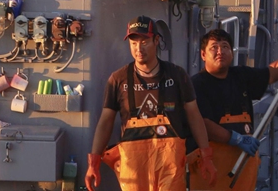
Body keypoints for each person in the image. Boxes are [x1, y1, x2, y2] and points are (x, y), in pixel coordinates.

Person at [86, 16, 218, 191]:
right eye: (133, 43)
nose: (138, 48)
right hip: (133, 168)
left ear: (156, 41)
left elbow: (194, 116)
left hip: (170, 166)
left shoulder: (177, 75)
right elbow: (105, 121)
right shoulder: (118, 79)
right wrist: (94, 162)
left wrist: (206, 155)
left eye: (144, 42)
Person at [187, 29, 278, 191]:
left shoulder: (240, 75)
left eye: (225, 47)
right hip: (210, 169)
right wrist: (236, 139)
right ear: (203, 55)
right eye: (214, 47)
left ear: (231, 53)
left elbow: (271, 74)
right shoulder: (196, 85)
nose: (220, 51)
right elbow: (203, 125)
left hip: (243, 165)